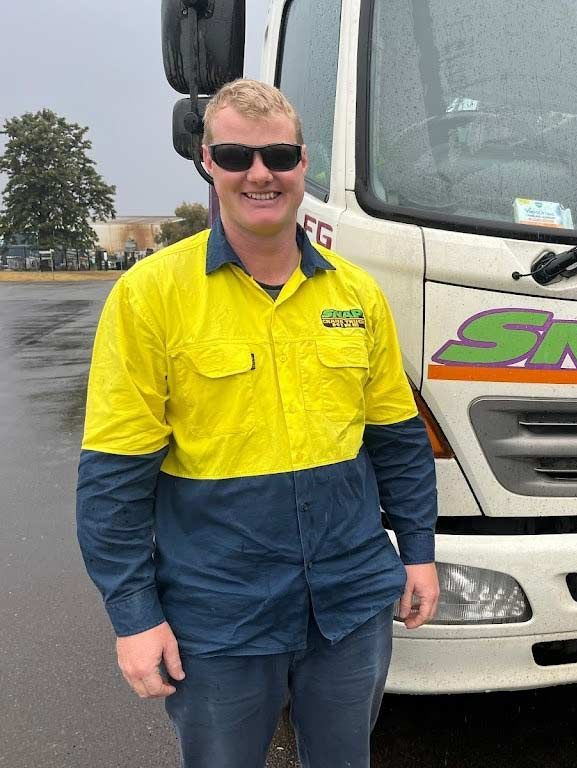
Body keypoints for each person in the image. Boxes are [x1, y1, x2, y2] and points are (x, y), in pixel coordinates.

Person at [76, 79, 439, 768]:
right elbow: (111, 483)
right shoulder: (150, 296)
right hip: (219, 613)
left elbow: (397, 444)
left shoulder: (357, 295)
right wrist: (134, 616)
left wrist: (417, 550)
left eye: (277, 154)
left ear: (305, 164)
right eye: (237, 155)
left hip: (352, 602)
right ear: (208, 163)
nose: (259, 173)